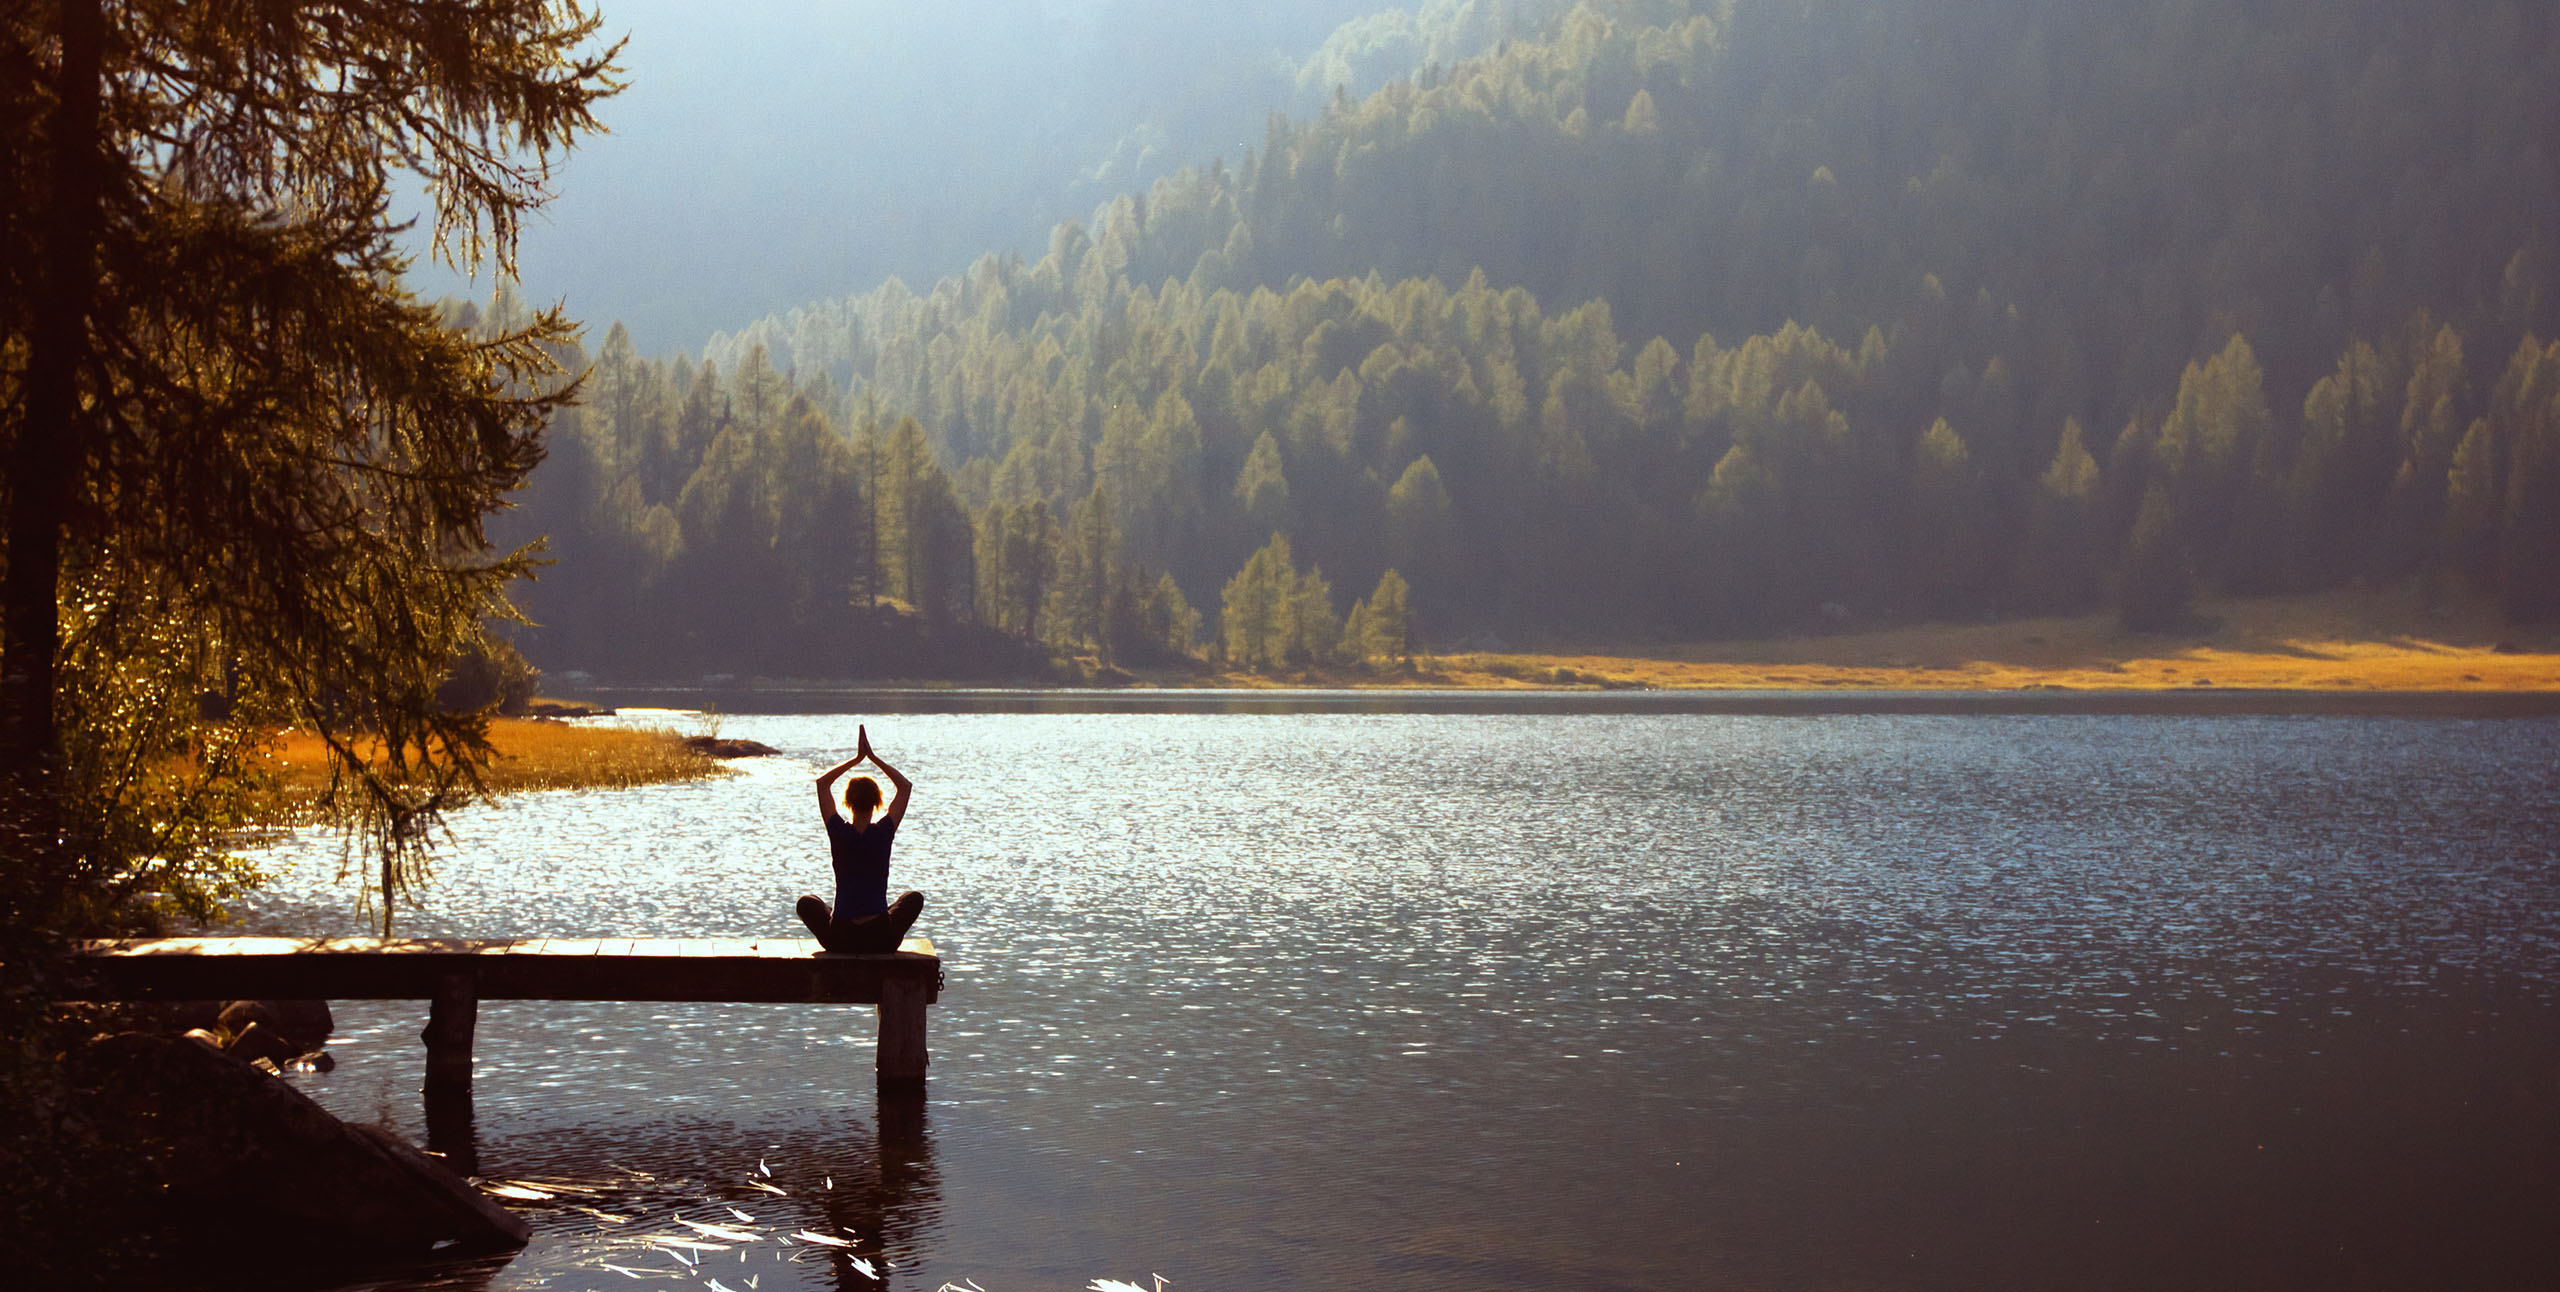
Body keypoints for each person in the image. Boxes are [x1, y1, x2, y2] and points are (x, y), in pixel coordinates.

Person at [799, 724, 925, 954]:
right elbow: (905, 787)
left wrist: (856, 759)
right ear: (878, 803)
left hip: (840, 937)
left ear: (847, 802)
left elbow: (822, 784)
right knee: (913, 898)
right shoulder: (884, 831)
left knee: (807, 902)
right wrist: (873, 758)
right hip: (880, 938)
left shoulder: (838, 831)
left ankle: (843, 916)